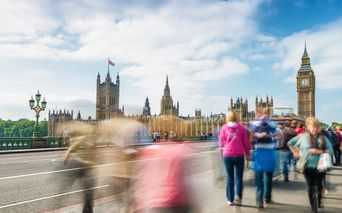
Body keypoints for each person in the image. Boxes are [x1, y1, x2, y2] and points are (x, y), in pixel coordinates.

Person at [288, 117, 333, 213]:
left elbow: (331, 151)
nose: (315, 129)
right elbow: (290, 143)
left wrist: (319, 151)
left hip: (321, 167)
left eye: (317, 127)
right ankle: (314, 208)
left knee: (319, 186)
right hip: (307, 166)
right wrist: (296, 152)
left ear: (319, 127)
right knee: (311, 186)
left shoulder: (324, 138)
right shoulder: (302, 137)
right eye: (312, 127)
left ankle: (319, 200)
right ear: (308, 127)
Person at [219, 111, 251, 206]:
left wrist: (222, 155)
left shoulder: (224, 128)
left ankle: (230, 199)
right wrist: (248, 154)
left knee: (229, 177)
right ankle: (238, 197)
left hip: (227, 155)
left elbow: (221, 143)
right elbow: (246, 143)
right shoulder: (241, 127)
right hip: (239, 154)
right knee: (239, 177)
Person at [249, 108, 278, 209]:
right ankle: (267, 197)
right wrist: (271, 135)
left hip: (259, 151)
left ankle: (259, 200)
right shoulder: (272, 123)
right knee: (268, 176)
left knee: (259, 177)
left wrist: (258, 136)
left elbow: (251, 135)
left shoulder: (254, 123)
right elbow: (279, 135)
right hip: (270, 151)